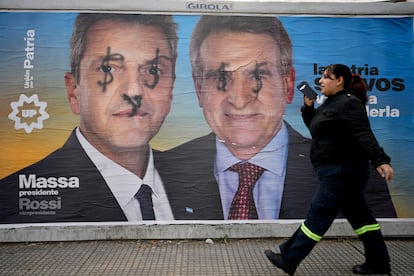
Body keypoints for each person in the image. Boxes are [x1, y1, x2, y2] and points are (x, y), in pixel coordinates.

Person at [161, 16, 396, 220]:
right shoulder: (158, 174)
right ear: (198, 87)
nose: (239, 99)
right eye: (219, 77)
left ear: (288, 84)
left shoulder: (352, 170)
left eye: (258, 75)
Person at [0, 13, 178, 223]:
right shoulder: (8, 202)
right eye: (107, 68)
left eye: (154, 70)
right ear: (74, 91)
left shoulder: (199, 176)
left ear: (171, 89)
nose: (134, 90)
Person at [264, 64, 393, 275]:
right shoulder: (333, 103)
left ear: (339, 80)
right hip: (340, 172)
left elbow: (364, 134)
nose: (321, 81)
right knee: (363, 221)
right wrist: (308, 107)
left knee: (317, 216)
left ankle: (289, 258)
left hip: (341, 172)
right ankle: (378, 262)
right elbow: (318, 129)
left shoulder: (349, 103)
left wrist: (380, 160)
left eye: (325, 77)